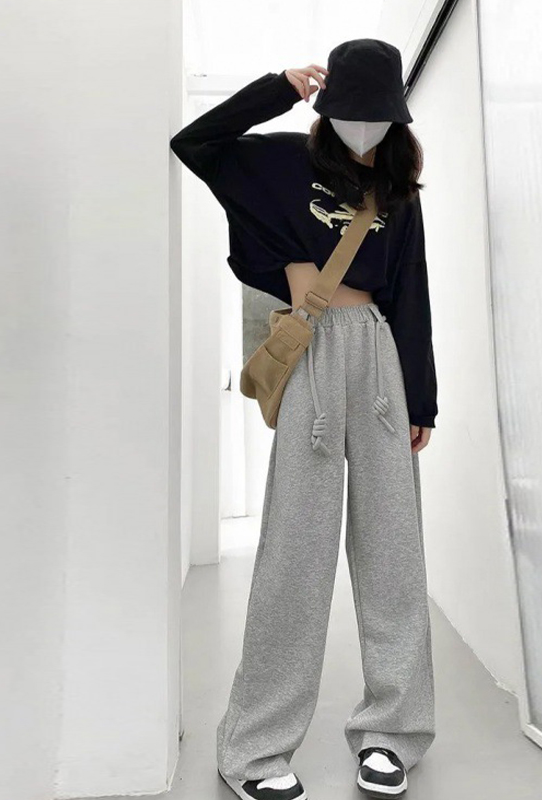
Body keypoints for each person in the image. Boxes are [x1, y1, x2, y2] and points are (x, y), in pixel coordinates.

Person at [170, 38, 437, 800]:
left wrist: (421, 399)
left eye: (378, 115)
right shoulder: (281, 162)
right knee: (295, 549)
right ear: (328, 107)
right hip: (312, 349)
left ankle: (393, 733)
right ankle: (256, 746)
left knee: (393, 552)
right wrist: (277, 88)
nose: (365, 127)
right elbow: (196, 144)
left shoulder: (397, 187)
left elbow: (411, 292)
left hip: (379, 359)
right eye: (352, 112)